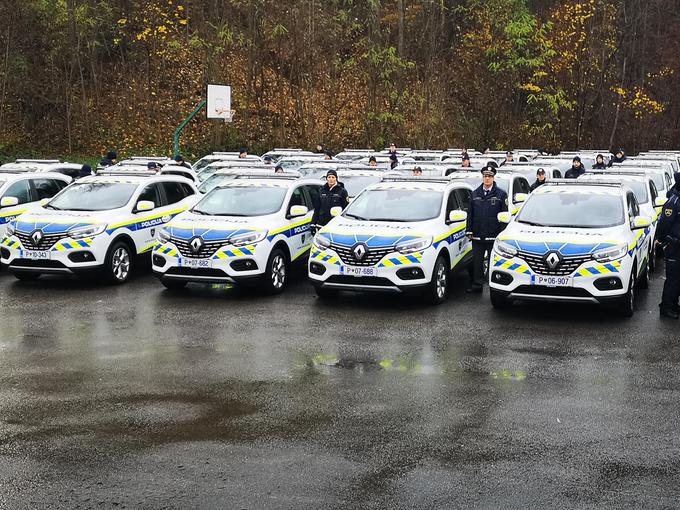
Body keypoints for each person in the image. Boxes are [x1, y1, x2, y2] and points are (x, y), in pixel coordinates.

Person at [466, 166, 508, 293]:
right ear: (482, 177)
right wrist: (469, 231)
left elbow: (504, 216)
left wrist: (502, 234)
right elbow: (470, 214)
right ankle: (477, 285)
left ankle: (494, 286)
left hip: (493, 235)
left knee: (493, 262)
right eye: (485, 176)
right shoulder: (474, 194)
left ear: (493, 178)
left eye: (489, 176)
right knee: (477, 262)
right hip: (478, 235)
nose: (487, 178)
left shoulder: (501, 194)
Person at [658, 172, 680, 319]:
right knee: (673, 278)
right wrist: (663, 240)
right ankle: (666, 307)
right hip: (674, 246)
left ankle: (673, 304)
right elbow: (664, 224)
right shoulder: (673, 201)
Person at [311, 170, 349, 234]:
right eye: (329, 177)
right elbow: (317, 208)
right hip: (322, 224)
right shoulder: (321, 190)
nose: (331, 179)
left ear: (336, 179)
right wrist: (313, 223)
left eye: (333, 177)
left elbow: (345, 209)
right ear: (326, 179)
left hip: (335, 224)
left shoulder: (342, 191)